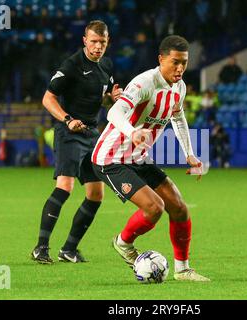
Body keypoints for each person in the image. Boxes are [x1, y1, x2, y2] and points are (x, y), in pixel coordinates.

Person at [91, 35, 210, 282]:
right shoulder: (144, 82)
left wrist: (189, 154)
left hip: (138, 157)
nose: (179, 68)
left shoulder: (180, 87)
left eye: (184, 63)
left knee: (179, 207)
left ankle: (183, 270)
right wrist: (133, 132)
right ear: (161, 59)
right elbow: (114, 112)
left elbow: (178, 118)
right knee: (155, 207)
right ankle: (123, 243)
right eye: (175, 62)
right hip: (111, 158)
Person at [31, 21, 122, 264]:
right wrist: (68, 119)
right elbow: (48, 98)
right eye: (93, 41)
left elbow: (99, 99)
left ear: (107, 42)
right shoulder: (71, 65)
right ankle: (41, 247)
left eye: (102, 42)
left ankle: (69, 249)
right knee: (65, 187)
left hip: (91, 133)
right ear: (84, 40)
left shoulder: (106, 66)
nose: (97, 47)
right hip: (69, 132)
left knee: (96, 194)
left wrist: (111, 99)